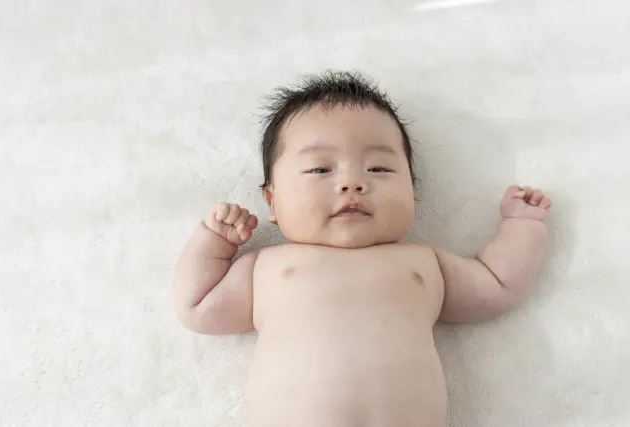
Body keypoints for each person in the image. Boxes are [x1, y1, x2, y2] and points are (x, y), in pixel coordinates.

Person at [172, 70, 552, 427]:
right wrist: (214, 242)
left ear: (412, 193)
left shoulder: (424, 262)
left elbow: (497, 284)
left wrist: (522, 226)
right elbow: (198, 308)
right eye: (320, 169)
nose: (352, 183)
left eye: (379, 169)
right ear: (272, 202)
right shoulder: (267, 268)